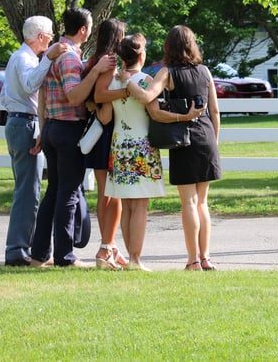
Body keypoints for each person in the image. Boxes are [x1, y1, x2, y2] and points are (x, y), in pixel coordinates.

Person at [29, 7, 117, 268]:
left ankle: (39, 254)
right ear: (83, 29)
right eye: (90, 26)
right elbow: (73, 96)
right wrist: (96, 70)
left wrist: (43, 131)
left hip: (53, 128)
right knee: (68, 194)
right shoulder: (68, 57)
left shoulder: (53, 53)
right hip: (67, 129)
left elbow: (44, 97)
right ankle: (65, 257)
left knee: (54, 192)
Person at [127, 25, 219, 271]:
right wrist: (215, 141)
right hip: (207, 137)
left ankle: (193, 261)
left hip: (184, 140)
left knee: (189, 203)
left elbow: (147, 98)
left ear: (169, 47)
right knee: (203, 203)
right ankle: (206, 256)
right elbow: (215, 110)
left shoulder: (167, 73)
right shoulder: (205, 71)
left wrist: (129, 83)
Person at [0, 15, 67, 267]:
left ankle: (20, 248)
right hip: (23, 123)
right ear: (40, 37)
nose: (51, 39)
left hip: (21, 122)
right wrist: (49, 59)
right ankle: (17, 250)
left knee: (28, 189)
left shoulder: (20, 58)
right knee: (28, 192)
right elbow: (29, 85)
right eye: (49, 35)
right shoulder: (24, 59)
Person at [101, 33, 172, 271]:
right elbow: (153, 111)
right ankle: (135, 259)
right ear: (141, 55)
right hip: (142, 146)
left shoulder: (114, 82)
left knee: (127, 205)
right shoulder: (145, 81)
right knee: (140, 205)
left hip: (119, 144)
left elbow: (106, 116)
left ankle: (132, 257)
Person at [83, 18, 128, 270]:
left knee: (105, 192)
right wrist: (126, 91)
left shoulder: (94, 59)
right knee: (113, 193)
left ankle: (110, 246)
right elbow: (100, 95)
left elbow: (92, 97)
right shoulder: (110, 61)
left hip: (98, 130)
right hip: (108, 131)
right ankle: (106, 247)